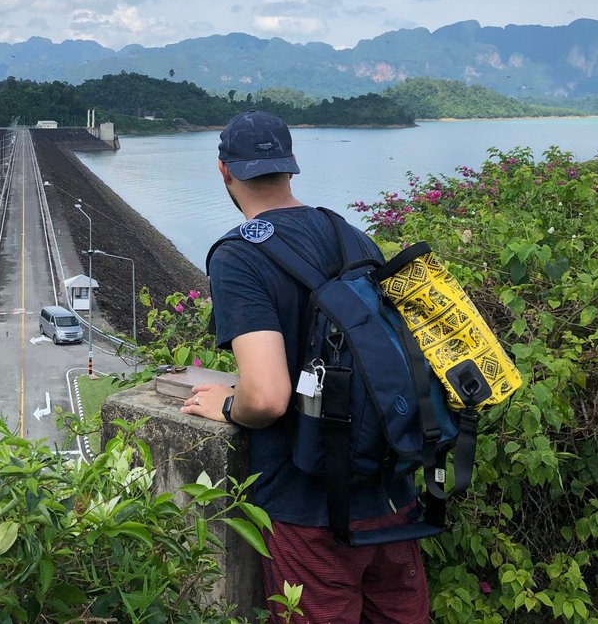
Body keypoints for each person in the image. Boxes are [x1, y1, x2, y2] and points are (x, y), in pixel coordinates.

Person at [180, 110, 430, 623]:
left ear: (224, 171)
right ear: (290, 169)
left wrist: (227, 405)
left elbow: (267, 397)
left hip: (309, 510)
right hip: (391, 496)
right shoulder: (351, 237)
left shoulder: (238, 256)